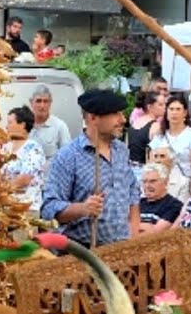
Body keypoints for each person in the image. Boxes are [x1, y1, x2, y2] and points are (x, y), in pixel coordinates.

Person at [41, 90, 139, 247]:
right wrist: (83, 209)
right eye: (116, 114)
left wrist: (133, 237)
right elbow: (49, 208)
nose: (123, 120)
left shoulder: (121, 150)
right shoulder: (68, 156)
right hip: (85, 252)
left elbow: (133, 194)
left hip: (122, 251)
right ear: (93, 118)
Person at [149, 96, 191, 201]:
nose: (174, 113)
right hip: (161, 184)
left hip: (183, 185)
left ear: (185, 112)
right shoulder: (160, 136)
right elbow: (151, 163)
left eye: (178, 109)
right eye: (171, 109)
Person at [0, 106, 47, 215]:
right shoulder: (6, 147)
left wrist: (1, 190)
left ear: (22, 124)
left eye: (10, 123)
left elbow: (25, 178)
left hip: (25, 210)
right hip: (5, 208)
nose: (6, 126)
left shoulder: (33, 148)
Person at [27, 85, 72, 159]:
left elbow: (67, 157)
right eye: (38, 101)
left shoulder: (60, 126)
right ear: (31, 102)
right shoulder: (23, 125)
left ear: (50, 103)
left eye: (45, 101)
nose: (42, 106)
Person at [137, 163, 182, 234]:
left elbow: (155, 232)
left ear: (165, 182)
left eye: (152, 181)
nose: (147, 186)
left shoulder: (174, 205)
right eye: (144, 182)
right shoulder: (137, 203)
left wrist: (133, 226)